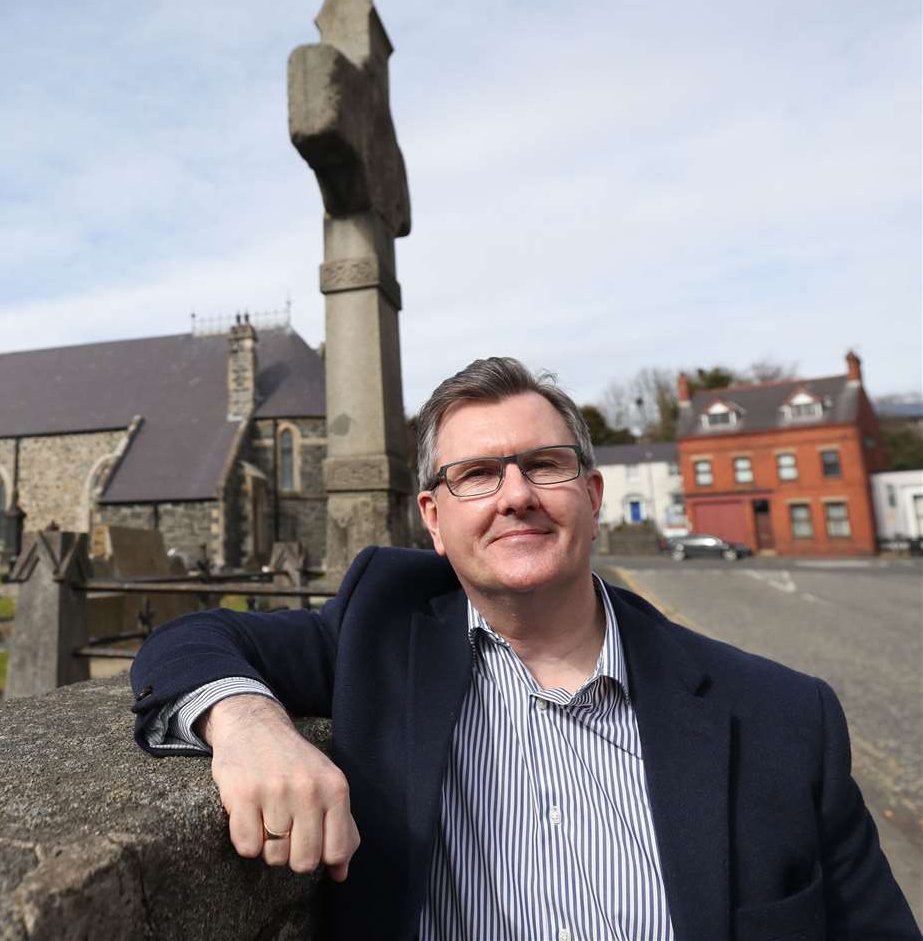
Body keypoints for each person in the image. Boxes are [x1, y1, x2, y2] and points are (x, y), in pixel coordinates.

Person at [130, 357, 917, 940]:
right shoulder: (380, 632)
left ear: (593, 496)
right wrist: (249, 725)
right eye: (477, 475)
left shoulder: (784, 718)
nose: (516, 495)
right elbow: (189, 640)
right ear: (433, 520)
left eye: (543, 464)